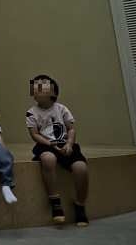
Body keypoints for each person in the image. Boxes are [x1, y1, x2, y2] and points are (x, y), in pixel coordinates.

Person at [26, 74, 89, 226]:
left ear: (53, 92)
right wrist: (48, 143)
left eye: (42, 86)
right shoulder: (31, 112)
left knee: (81, 167)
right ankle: (54, 200)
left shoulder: (62, 109)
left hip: (64, 143)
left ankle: (80, 204)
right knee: (48, 159)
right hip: (45, 144)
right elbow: (34, 134)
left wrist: (69, 144)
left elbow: (71, 129)